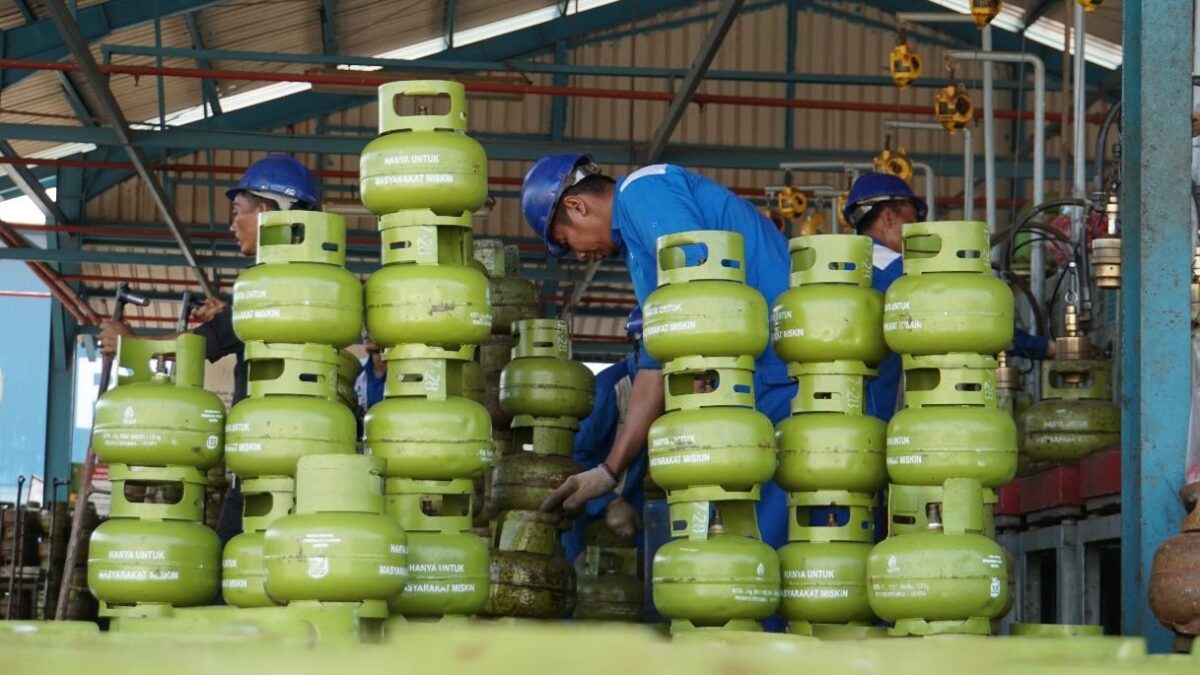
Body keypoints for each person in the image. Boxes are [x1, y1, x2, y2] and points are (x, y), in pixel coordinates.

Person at [523, 155, 794, 551]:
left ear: (576, 206)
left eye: (567, 243)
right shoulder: (639, 250)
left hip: (777, 367)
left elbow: (700, 278)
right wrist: (608, 471)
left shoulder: (643, 190)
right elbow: (654, 365)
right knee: (742, 537)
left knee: (761, 543)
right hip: (751, 377)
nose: (578, 255)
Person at [98, 154, 320, 545]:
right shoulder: (314, 282)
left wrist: (129, 343)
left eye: (238, 212)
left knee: (229, 563)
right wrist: (229, 314)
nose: (232, 225)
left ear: (265, 214)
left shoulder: (269, 286)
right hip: (303, 450)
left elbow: (195, 347)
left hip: (266, 457)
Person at [844, 172, 1052, 422]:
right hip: (885, 419)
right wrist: (1044, 348)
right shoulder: (905, 276)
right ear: (888, 216)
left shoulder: (841, 272)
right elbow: (975, 319)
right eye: (912, 222)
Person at [562, 306, 648, 565]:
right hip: (587, 503)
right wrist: (608, 503)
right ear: (638, 346)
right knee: (579, 574)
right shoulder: (610, 388)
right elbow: (573, 455)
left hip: (635, 503)